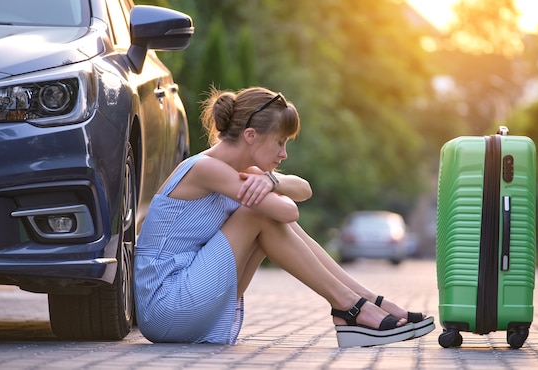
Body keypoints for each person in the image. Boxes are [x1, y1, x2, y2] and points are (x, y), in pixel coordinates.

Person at [133, 86, 434, 348]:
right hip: (165, 304)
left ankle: (362, 300)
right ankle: (349, 306)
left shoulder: (242, 172)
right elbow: (289, 210)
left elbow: (304, 189)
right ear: (250, 136)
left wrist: (273, 180)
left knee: (264, 217)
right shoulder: (206, 169)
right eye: (279, 142)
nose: (284, 153)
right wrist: (271, 183)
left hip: (186, 298)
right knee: (259, 216)